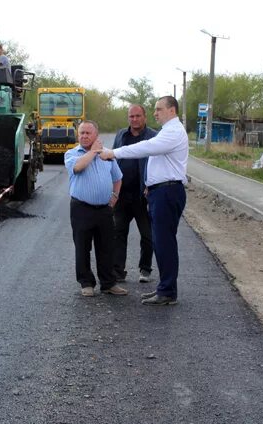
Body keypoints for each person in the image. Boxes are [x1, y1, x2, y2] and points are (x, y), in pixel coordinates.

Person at [100, 96, 188, 306]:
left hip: (167, 192)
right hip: (161, 192)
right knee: (161, 241)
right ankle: (165, 289)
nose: (155, 113)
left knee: (163, 243)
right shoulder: (168, 130)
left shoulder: (173, 132)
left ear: (172, 110)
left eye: (159, 109)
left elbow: (145, 148)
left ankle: (167, 291)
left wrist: (112, 153)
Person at [64, 120, 128, 298]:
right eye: (81, 133)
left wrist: (114, 197)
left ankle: (108, 283)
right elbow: (78, 168)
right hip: (81, 208)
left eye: (88, 133)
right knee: (82, 247)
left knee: (107, 247)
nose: (84, 136)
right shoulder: (72, 154)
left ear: (96, 135)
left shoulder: (107, 155)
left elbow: (118, 178)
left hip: (104, 210)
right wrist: (93, 152)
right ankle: (86, 283)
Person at [111, 104, 158, 283]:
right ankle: (118, 271)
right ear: (128, 118)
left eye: (138, 116)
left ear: (145, 117)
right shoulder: (121, 135)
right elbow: (114, 160)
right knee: (118, 233)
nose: (135, 119)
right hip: (122, 194)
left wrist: (151, 183)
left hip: (143, 195)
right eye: (131, 116)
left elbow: (158, 162)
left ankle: (145, 269)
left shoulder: (153, 136)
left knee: (148, 235)